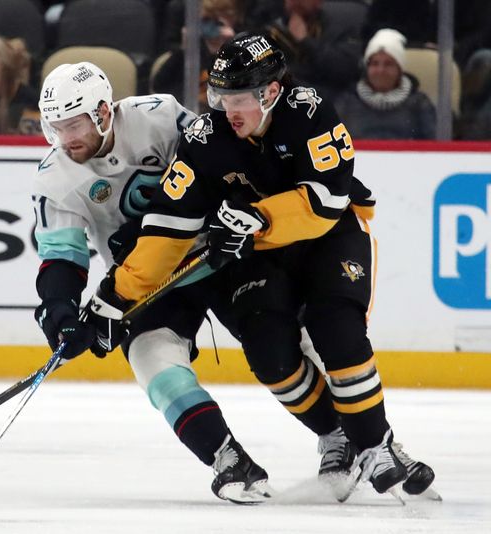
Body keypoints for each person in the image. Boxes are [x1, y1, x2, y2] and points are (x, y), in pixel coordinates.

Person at [87, 32, 436, 500]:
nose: (226, 109)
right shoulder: (205, 138)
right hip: (264, 252)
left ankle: (377, 444)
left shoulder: (310, 112)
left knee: (337, 331)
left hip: (331, 237)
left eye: (238, 98)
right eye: (219, 95)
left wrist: (260, 218)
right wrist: (116, 297)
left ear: (271, 92)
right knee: (269, 352)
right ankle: (337, 436)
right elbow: (167, 230)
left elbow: (328, 199)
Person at [33, 61, 273, 504]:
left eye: (74, 124)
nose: (66, 139)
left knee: (280, 349)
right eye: (56, 127)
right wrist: (62, 312)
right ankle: (227, 457)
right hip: (148, 282)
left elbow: (222, 157)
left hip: (220, 254)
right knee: (150, 359)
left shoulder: (158, 116)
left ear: (104, 112)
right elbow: (61, 259)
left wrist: (232, 207)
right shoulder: (55, 179)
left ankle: (353, 436)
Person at [336, 29, 436, 140]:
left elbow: (434, 145)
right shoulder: (347, 103)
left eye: (388, 64)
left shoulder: (418, 104)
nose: (380, 70)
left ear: (399, 69)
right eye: (374, 64)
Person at [152, 0, 245, 110]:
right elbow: (159, 86)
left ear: (233, 19)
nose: (212, 28)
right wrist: (184, 51)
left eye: (218, 23)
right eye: (207, 20)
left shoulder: (242, 49)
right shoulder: (193, 51)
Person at [264, 0, 362, 100]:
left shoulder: (336, 25)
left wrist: (306, 41)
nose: (296, 2)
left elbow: (344, 69)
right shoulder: (269, 30)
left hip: (331, 97)